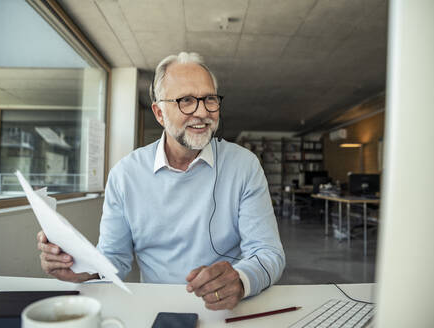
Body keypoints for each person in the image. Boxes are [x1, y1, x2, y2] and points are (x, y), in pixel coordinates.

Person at [37, 52, 285, 310]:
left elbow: (268, 253)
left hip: (226, 309)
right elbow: (114, 261)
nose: (202, 112)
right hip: (156, 310)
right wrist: (81, 271)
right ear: (159, 113)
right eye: (186, 101)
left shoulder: (244, 166)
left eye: (209, 99)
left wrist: (242, 279)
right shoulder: (125, 175)